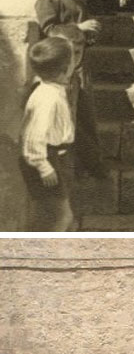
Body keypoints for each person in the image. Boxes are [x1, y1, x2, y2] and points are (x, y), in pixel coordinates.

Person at [34, 0, 106, 178]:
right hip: (61, 70)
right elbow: (50, 30)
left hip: (79, 66)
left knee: (86, 114)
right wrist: (79, 29)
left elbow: (80, 33)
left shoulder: (77, 0)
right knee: (64, 116)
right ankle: (62, 166)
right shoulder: (48, 0)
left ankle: (93, 164)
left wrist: (89, 35)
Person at [20, 38, 78, 231]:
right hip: (45, 158)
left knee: (48, 211)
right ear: (65, 69)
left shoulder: (51, 89)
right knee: (61, 217)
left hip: (54, 156)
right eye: (72, 61)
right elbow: (33, 135)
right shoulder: (48, 98)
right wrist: (43, 166)